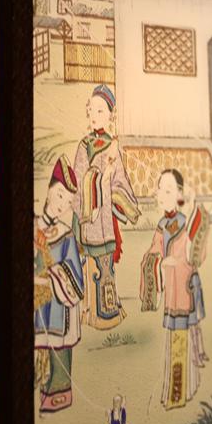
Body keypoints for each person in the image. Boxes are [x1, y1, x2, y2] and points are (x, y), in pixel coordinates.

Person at [72, 84, 140, 331]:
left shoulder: (112, 146)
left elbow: (120, 181)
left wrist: (112, 186)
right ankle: (89, 312)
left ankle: (108, 314)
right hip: (88, 218)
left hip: (104, 220)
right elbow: (78, 180)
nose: (95, 115)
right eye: (92, 109)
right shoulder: (84, 146)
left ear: (110, 116)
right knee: (87, 267)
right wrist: (99, 180)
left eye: (101, 110)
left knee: (105, 267)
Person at [141, 169, 210, 410]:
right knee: (173, 343)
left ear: (180, 194)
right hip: (171, 291)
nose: (161, 194)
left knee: (181, 342)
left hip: (183, 291)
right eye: (160, 188)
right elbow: (154, 252)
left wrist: (174, 262)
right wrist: (157, 262)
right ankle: (174, 391)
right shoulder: (162, 225)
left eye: (168, 190)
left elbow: (193, 257)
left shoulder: (185, 223)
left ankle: (178, 394)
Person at [34, 156, 86, 413]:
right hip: (36, 306)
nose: (61, 204)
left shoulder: (66, 235)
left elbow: (76, 280)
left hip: (57, 307)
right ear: (49, 191)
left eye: (67, 201)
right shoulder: (32, 227)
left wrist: (54, 275)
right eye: (59, 195)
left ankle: (56, 400)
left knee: (58, 358)